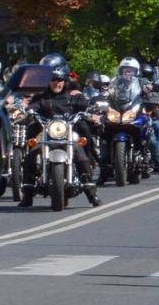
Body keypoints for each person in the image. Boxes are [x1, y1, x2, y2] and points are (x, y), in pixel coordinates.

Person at [20, 62, 102, 206]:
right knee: (31, 155)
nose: (56, 83)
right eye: (53, 80)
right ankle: (27, 195)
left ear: (65, 81)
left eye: (60, 80)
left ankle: (91, 194)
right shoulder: (41, 98)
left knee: (82, 157)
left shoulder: (72, 97)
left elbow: (85, 105)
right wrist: (29, 112)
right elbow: (32, 107)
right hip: (46, 137)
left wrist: (91, 110)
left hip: (68, 137)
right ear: (48, 81)